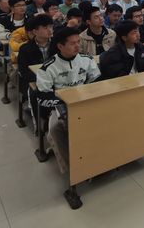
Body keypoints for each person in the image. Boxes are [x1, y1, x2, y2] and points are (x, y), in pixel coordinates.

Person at [36, 27, 101, 180]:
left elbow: (97, 82)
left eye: (78, 42)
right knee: (55, 129)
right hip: (60, 105)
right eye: (72, 43)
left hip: (85, 101)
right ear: (60, 46)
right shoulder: (49, 67)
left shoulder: (86, 59)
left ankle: (100, 161)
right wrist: (64, 102)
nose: (77, 46)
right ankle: (75, 169)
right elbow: (42, 96)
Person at [18, 15, 53, 127]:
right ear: (35, 31)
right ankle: (39, 126)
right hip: (34, 82)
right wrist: (43, 79)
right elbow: (24, 72)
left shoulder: (57, 45)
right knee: (35, 93)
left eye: (51, 27)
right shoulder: (25, 49)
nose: (50, 30)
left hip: (55, 79)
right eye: (45, 27)